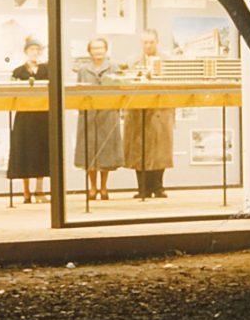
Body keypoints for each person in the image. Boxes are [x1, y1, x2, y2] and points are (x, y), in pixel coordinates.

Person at [122, 29, 174, 199]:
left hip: (161, 109)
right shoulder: (131, 61)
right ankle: (142, 187)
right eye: (145, 42)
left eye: (151, 42)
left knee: (161, 149)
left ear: (157, 42)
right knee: (139, 148)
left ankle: (158, 187)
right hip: (138, 110)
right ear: (141, 43)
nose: (148, 45)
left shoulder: (168, 60)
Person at [73, 37, 123, 200]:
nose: (98, 51)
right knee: (89, 150)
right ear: (89, 51)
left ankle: (104, 187)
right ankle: (92, 187)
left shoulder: (113, 67)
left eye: (100, 48)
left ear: (106, 49)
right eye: (94, 48)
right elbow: (77, 91)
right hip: (88, 114)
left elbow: (119, 89)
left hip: (108, 113)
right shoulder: (83, 69)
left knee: (106, 151)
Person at [6, 36, 50, 204]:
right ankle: (25, 192)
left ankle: (39, 190)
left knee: (42, 151)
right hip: (24, 115)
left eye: (37, 50)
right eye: (32, 50)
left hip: (42, 114)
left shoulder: (47, 69)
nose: (35, 53)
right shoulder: (18, 71)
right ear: (26, 52)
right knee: (24, 150)